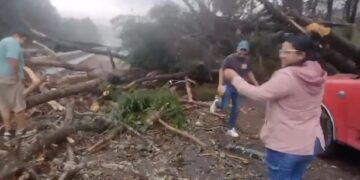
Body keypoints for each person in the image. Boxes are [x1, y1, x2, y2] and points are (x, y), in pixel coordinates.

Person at [224, 35, 326, 180]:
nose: (281, 55)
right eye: (281, 51)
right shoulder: (318, 73)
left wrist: (234, 78)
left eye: (286, 52)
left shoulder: (288, 76)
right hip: (310, 143)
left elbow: (258, 94)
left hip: (286, 145)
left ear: (301, 55)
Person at [210, 40, 258, 137]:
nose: (242, 52)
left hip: (238, 87)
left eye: (245, 50)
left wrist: (255, 82)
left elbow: (249, 72)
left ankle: (230, 128)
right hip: (228, 85)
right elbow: (221, 70)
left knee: (236, 108)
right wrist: (220, 84)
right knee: (224, 106)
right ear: (237, 49)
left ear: (247, 51)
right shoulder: (230, 58)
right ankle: (217, 103)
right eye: (241, 50)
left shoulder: (247, 60)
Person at [0, 31, 29, 139]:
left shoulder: (2, 42)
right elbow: (12, 59)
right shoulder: (13, 43)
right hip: (10, 78)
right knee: (18, 104)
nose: (22, 42)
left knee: (4, 105)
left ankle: (8, 131)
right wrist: (16, 75)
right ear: (18, 36)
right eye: (23, 40)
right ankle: (21, 130)